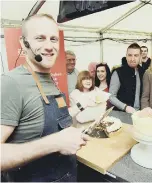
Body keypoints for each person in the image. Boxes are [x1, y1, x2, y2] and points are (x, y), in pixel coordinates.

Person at [1, 14, 89, 182]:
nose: (49, 46)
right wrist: (55, 142)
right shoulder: (11, 83)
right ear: (23, 43)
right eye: (40, 38)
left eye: (53, 39)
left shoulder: (49, 80)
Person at [109, 43, 144, 114]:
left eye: (136, 55)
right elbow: (111, 96)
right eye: (130, 55)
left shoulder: (143, 72)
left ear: (140, 56)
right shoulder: (118, 72)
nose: (132, 59)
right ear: (126, 56)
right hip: (121, 114)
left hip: (139, 114)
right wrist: (125, 107)